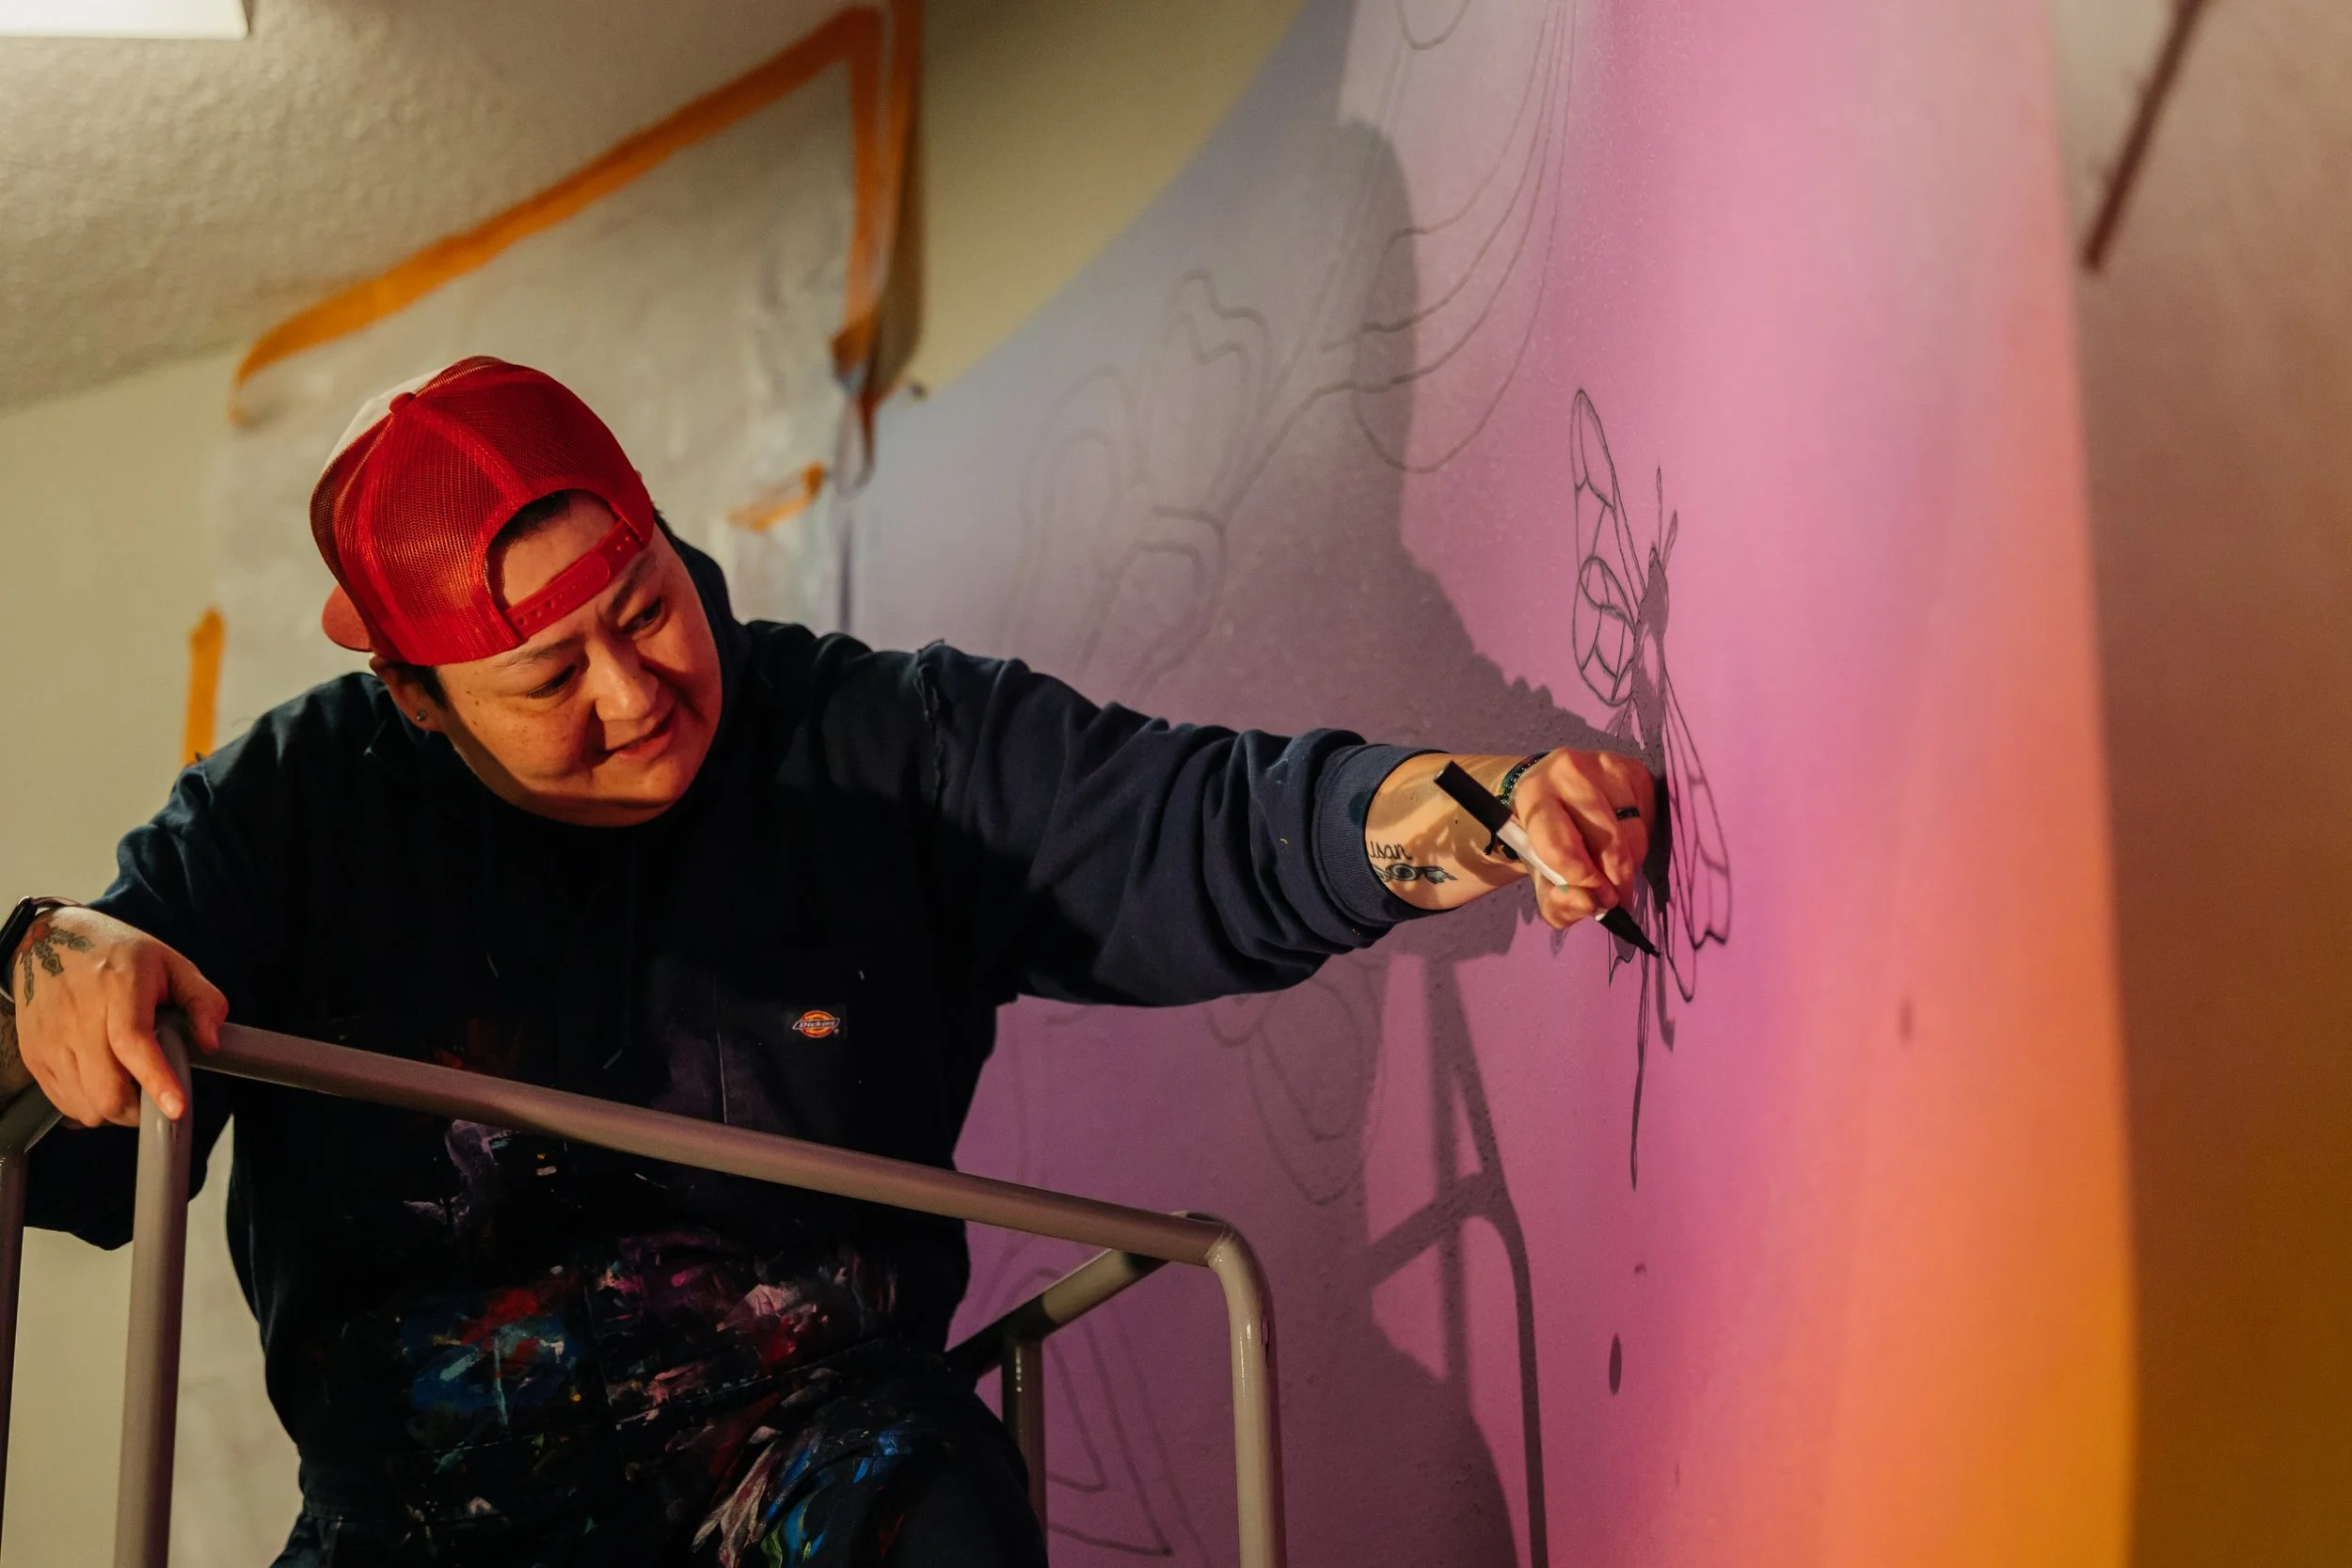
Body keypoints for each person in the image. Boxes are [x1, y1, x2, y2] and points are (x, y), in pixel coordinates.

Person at [0, 358, 1652, 1567]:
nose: (639, 695)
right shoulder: (293, 807)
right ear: (418, 702)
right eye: (551, 678)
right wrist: (44, 970)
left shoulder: (880, 738)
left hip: (819, 1451)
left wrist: (1484, 812)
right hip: (422, 1510)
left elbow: (1185, 823)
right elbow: (70, 1124)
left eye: (644, 609)